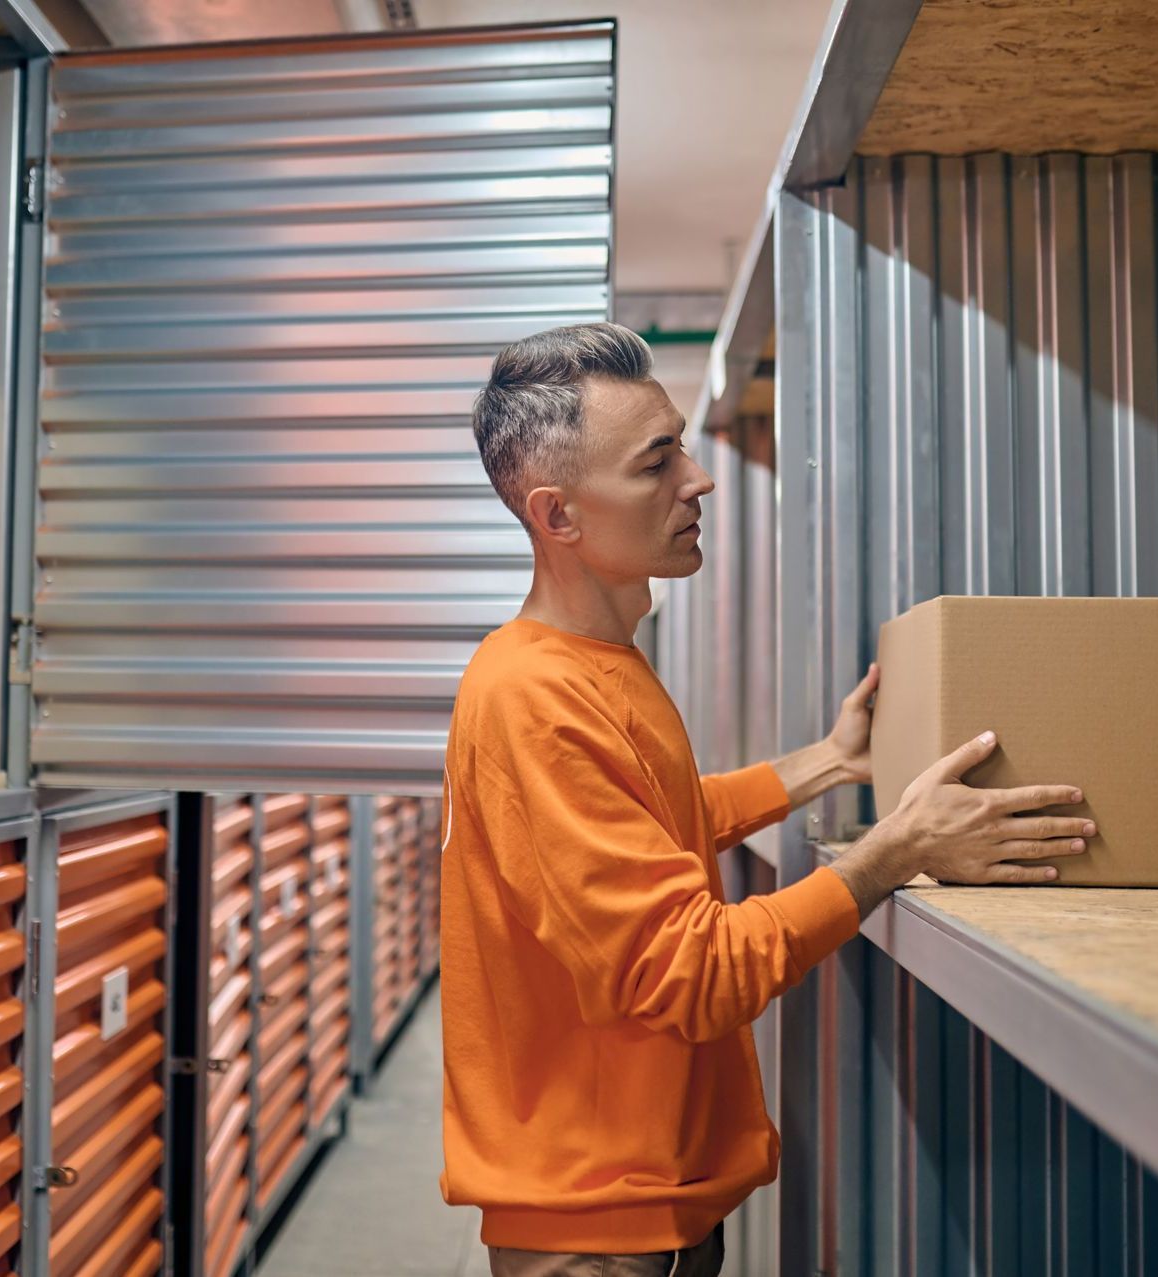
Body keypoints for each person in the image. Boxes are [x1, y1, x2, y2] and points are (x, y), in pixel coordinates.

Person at [438, 323, 1091, 1276]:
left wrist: (829, 761)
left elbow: (648, 824)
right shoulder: (531, 697)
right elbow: (694, 972)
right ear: (560, 515)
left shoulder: (590, 667)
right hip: (596, 1227)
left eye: (682, 451)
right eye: (657, 463)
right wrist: (895, 850)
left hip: (650, 1194)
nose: (696, 481)